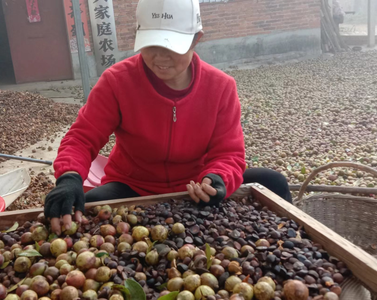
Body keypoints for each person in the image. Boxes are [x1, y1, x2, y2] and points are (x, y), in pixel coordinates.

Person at [44, 0, 291, 234]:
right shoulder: (117, 81)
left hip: (195, 187)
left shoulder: (220, 87)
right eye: (151, 46)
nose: (160, 58)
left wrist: (216, 179)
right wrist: (69, 176)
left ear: (196, 39)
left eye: (172, 47)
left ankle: (291, 240)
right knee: (88, 205)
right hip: (133, 185)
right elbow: (82, 137)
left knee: (273, 182)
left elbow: (229, 154)